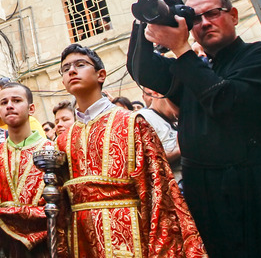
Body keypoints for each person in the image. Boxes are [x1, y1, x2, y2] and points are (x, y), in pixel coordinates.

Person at [127, 0, 261, 257]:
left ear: (233, 15)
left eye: (213, 14)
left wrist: (182, 50)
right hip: (211, 203)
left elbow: (226, 103)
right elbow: (142, 70)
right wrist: (146, 22)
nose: (205, 23)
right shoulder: (192, 67)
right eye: (195, 19)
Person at [58, 44, 206, 257]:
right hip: (81, 239)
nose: (72, 71)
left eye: (80, 65)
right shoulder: (63, 139)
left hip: (130, 235)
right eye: (65, 68)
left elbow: (158, 192)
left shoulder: (132, 123)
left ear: (101, 75)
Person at [0, 82, 57, 258]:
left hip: (43, 247)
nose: (9, 106)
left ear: (31, 108)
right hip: (3, 248)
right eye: (3, 102)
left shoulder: (51, 150)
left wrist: (1, 215)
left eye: (16, 100)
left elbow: (59, 206)